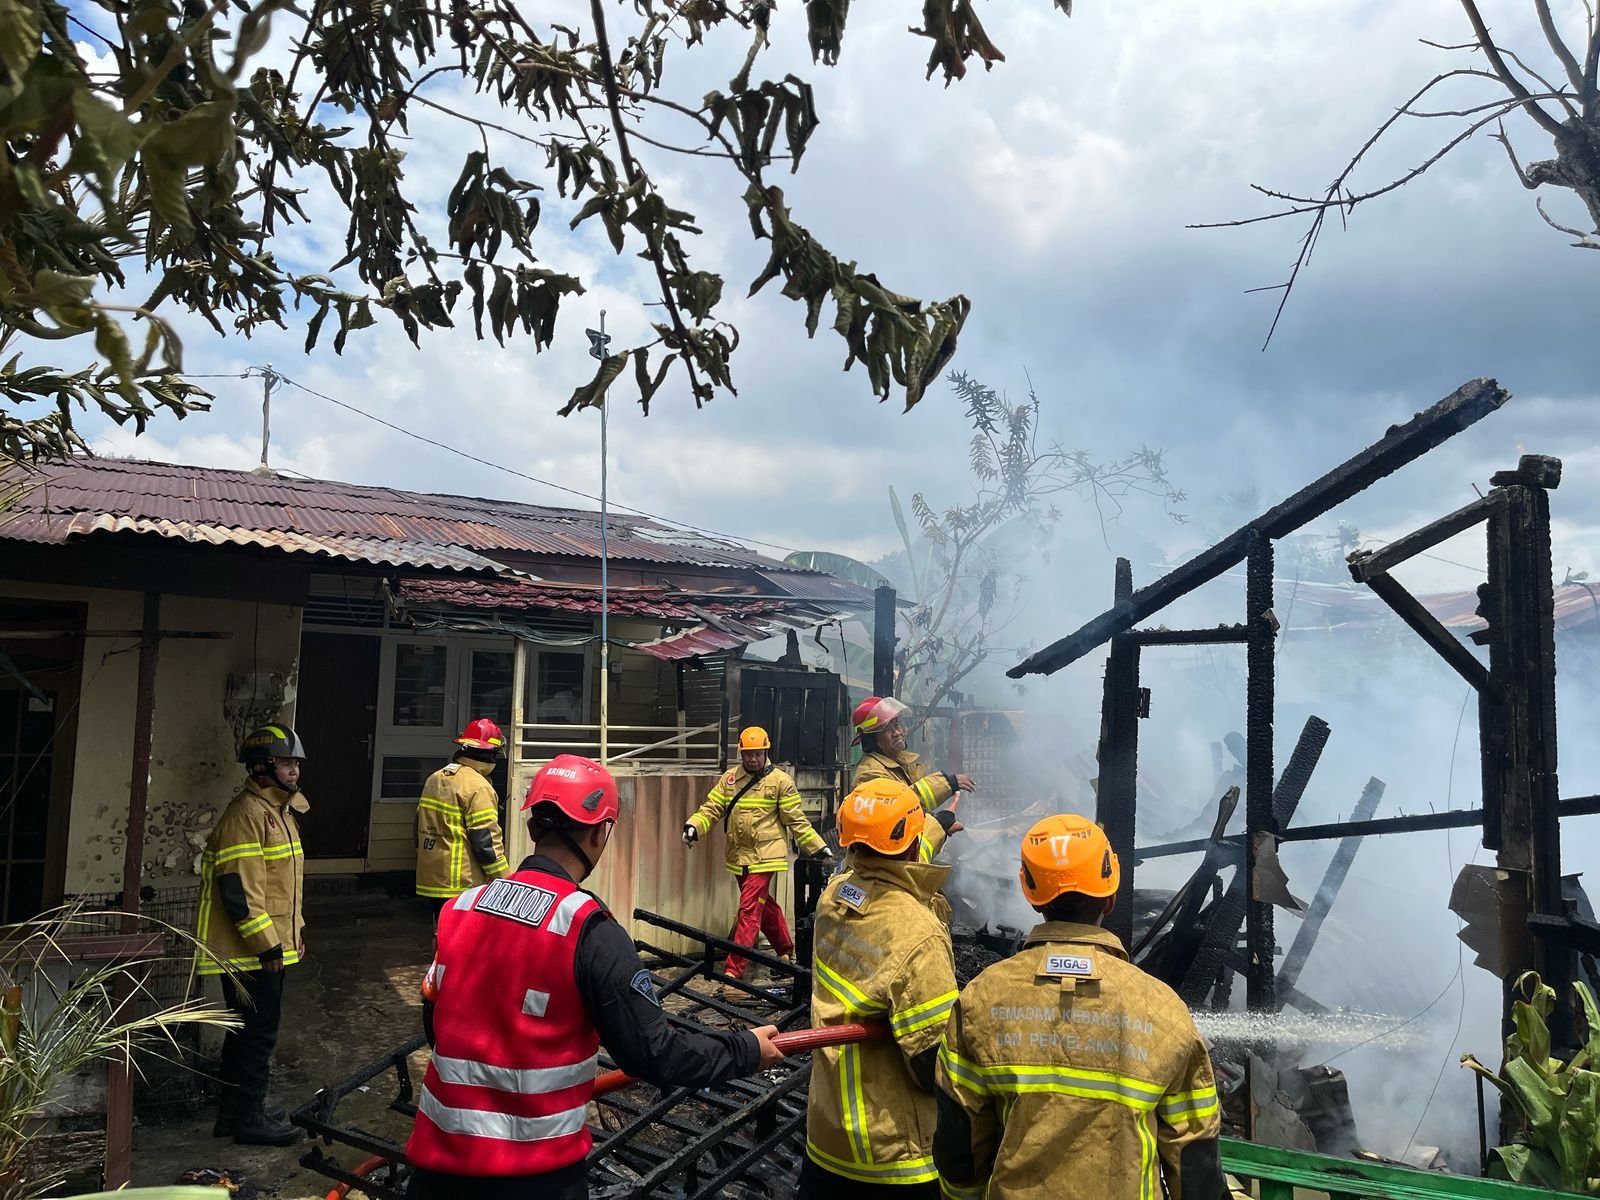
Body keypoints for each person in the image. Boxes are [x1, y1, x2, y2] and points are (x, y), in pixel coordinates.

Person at [406, 754, 784, 1200]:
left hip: (434, 1170)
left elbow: (436, 1023)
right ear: (600, 832)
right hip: (537, 1177)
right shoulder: (589, 930)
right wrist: (744, 1050)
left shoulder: (461, 907)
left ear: (532, 829)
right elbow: (652, 1053)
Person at [933, 814, 1224, 1200]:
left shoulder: (981, 998)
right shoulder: (1163, 1008)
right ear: (1111, 895)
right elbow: (1195, 1162)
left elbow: (959, 1150)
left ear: (1031, 895)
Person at [802, 778, 958, 1198]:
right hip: (890, 1156)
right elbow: (934, 1065)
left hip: (826, 1133)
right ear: (909, 842)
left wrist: (939, 824)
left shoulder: (835, 894)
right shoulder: (916, 933)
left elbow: (890, 865)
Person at [195, 723, 309, 1146]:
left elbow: (283, 886)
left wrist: (296, 932)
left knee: (246, 1032)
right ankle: (249, 1119)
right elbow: (239, 893)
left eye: (296, 762)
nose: (294, 770)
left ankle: (236, 1113)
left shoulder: (277, 812)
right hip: (251, 952)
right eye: (285, 762)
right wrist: (268, 946)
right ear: (262, 767)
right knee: (258, 1034)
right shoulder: (246, 816)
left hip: (266, 948)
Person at [683, 726, 833, 997]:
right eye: (748, 754)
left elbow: (795, 819)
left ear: (766, 751)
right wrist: (694, 826)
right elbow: (712, 808)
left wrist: (817, 847)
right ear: (742, 753)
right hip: (739, 855)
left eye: (758, 753)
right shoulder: (730, 780)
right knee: (764, 907)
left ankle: (733, 973)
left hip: (767, 856)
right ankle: (786, 952)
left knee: (749, 908)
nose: (753, 759)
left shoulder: (780, 781)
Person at [851, 696, 975, 865]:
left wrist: (940, 825)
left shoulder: (898, 764)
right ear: (871, 739)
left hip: (902, 858)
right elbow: (900, 809)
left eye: (896, 724)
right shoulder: (871, 774)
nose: (897, 732)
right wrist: (947, 783)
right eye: (887, 729)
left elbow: (914, 814)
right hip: (887, 864)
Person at [415, 718, 511, 913]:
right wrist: (506, 881)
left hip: (431, 877)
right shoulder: (478, 786)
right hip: (462, 884)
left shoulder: (436, 778)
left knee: (441, 933)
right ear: (491, 753)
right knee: (464, 940)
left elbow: (417, 826)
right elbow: (485, 844)